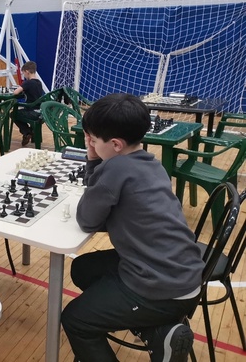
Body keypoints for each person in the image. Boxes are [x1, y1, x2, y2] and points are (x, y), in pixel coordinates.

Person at [60, 93, 203, 362]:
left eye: (93, 140)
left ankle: (156, 321)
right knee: (83, 269)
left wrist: (92, 161)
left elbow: (87, 220)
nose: (90, 144)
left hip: (161, 287)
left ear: (115, 144)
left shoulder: (114, 169)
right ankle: (159, 332)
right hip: (186, 274)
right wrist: (97, 157)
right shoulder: (151, 163)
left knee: (75, 320)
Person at [12, 61, 43, 146]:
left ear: (27, 72)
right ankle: (31, 132)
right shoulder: (39, 83)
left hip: (32, 111)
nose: (24, 76)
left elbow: (15, 92)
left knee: (13, 114)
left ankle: (27, 132)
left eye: (23, 73)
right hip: (39, 110)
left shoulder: (28, 83)